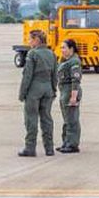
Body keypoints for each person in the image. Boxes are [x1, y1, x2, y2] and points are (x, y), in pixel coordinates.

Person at [18, 29, 58, 157]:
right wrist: (53, 90)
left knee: (31, 119)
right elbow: (54, 75)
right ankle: (49, 148)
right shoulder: (51, 53)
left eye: (30, 39)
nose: (29, 42)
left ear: (36, 40)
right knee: (47, 119)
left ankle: (30, 148)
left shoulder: (32, 54)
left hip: (34, 90)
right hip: (48, 89)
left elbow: (27, 76)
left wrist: (22, 93)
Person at [57, 39, 83, 154]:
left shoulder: (74, 62)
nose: (62, 50)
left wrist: (73, 97)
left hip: (70, 91)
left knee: (72, 119)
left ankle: (73, 144)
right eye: (61, 48)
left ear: (71, 49)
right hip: (64, 91)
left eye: (64, 48)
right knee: (67, 119)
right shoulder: (65, 60)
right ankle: (66, 142)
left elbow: (75, 80)